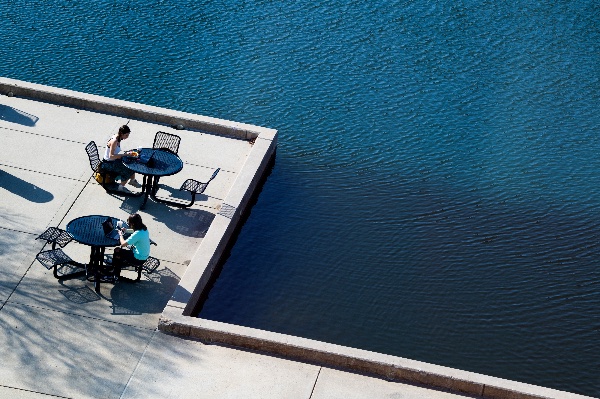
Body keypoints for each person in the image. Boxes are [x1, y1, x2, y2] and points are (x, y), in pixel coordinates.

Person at [111, 213, 151, 280]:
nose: (128, 224)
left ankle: (115, 272)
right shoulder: (144, 228)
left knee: (117, 251)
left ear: (133, 224)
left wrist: (120, 234)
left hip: (138, 259)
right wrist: (126, 231)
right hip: (143, 255)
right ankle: (117, 266)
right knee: (120, 251)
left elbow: (123, 244)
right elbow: (134, 231)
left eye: (129, 223)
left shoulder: (137, 234)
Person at [102, 124, 141, 192]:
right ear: (121, 133)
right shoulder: (114, 141)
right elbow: (111, 156)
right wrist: (125, 155)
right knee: (128, 170)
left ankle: (132, 181)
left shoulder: (118, 137)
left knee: (131, 164)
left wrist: (126, 154)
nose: (127, 137)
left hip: (113, 160)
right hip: (108, 164)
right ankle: (120, 188)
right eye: (126, 135)